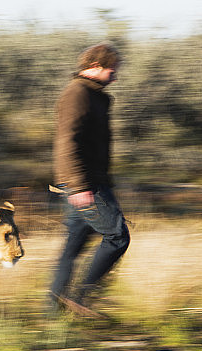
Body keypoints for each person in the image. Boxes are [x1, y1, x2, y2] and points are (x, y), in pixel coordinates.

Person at [49, 43, 130, 317]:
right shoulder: (78, 94)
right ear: (94, 67)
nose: (115, 77)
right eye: (112, 71)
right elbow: (67, 142)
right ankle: (80, 297)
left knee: (72, 246)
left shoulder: (93, 95)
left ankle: (52, 314)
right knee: (117, 236)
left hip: (84, 182)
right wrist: (80, 186)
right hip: (85, 184)